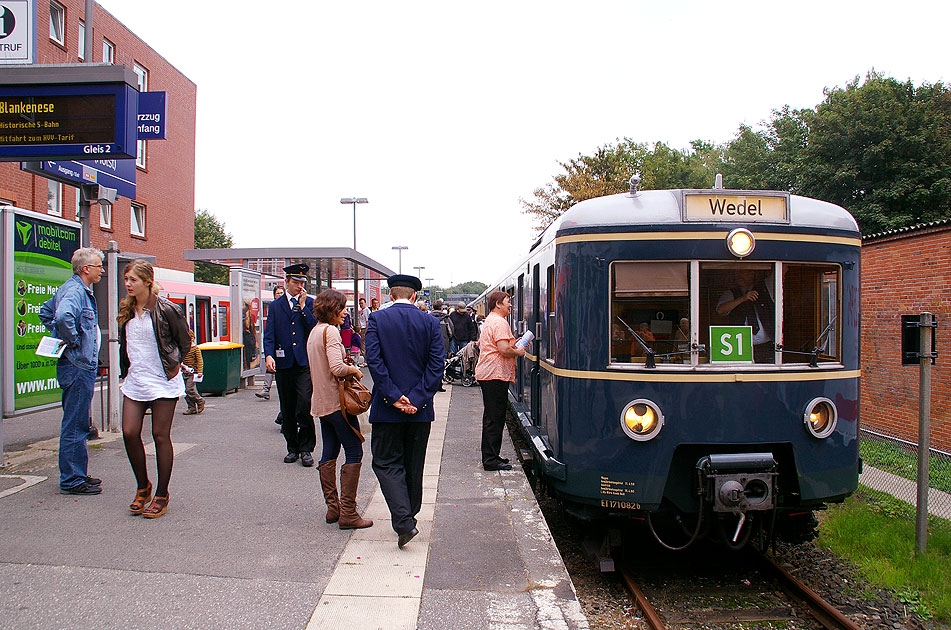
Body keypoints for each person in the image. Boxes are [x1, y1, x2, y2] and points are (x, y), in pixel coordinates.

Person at [365, 274, 445, 548]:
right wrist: (417, 399)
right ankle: (409, 515)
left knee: (386, 462)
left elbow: (374, 362)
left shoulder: (377, 319)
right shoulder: (430, 323)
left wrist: (393, 396)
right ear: (414, 296)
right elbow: (436, 365)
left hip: (387, 409)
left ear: (390, 295)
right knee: (414, 463)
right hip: (420, 411)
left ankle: (403, 520)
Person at [118, 259, 191, 518]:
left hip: (163, 380)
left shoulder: (167, 309)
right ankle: (143, 486)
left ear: (147, 282)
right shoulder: (127, 309)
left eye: (133, 280)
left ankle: (161, 494)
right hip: (136, 380)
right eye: (126, 279)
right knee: (129, 432)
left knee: (160, 436)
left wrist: (174, 366)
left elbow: (185, 341)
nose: (128, 284)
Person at [38, 247, 105, 496]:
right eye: (98, 266)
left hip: (77, 365)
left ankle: (77, 473)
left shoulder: (73, 289)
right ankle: (72, 479)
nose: (102, 270)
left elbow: (46, 312)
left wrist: (62, 337)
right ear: (86, 269)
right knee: (76, 424)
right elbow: (63, 316)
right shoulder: (76, 291)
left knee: (77, 421)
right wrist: (73, 341)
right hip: (77, 365)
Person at [306, 290, 372, 530]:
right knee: (354, 451)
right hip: (338, 404)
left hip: (321, 403)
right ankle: (349, 513)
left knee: (330, 451)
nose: (345, 313)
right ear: (333, 308)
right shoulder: (331, 332)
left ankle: (333, 508)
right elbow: (336, 368)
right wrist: (354, 370)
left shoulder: (315, 332)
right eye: (343, 308)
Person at [263, 263, 318, 466]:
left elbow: (314, 328)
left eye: (302, 282)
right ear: (286, 282)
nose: (299, 286)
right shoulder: (276, 306)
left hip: (304, 362)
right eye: (296, 282)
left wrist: (303, 308)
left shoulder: (309, 303)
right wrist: (269, 355)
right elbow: (269, 334)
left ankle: (306, 448)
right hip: (284, 361)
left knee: (304, 404)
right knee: (287, 407)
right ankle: (292, 447)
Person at [474, 291, 525, 471]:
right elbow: (503, 349)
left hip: (489, 374)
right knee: (495, 418)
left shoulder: (491, 320)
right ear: (498, 304)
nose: (510, 305)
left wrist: (513, 344)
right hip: (495, 374)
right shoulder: (500, 322)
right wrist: (518, 351)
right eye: (508, 301)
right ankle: (490, 460)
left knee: (492, 417)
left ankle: (492, 455)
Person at [716, 269, 775, 363]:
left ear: (753, 274)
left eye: (744, 272)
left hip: (766, 345)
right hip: (740, 346)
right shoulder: (731, 293)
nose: (739, 275)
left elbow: (779, 271)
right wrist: (743, 298)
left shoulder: (764, 289)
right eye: (738, 272)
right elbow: (721, 310)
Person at [256, 285, 285, 400]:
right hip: (276, 345)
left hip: (285, 347)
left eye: (281, 293)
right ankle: (266, 389)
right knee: (271, 366)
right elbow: (269, 331)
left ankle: (266, 389)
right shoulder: (274, 308)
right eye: (278, 293)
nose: (280, 295)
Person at [181, 329, 205, 415]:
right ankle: (191, 408)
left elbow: (199, 361)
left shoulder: (195, 349)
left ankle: (200, 401)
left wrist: (199, 371)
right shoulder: (183, 349)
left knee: (189, 389)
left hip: (192, 373)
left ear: (191, 338)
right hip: (184, 372)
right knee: (185, 391)